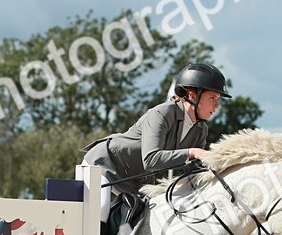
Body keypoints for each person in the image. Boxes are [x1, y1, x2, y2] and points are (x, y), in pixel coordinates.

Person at [82, 62, 229, 213]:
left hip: (136, 180)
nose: (217, 105)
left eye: (218, 99)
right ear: (192, 95)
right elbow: (151, 159)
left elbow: (194, 172)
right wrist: (192, 152)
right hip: (105, 164)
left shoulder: (200, 129)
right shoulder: (162, 113)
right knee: (100, 209)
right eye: (213, 98)